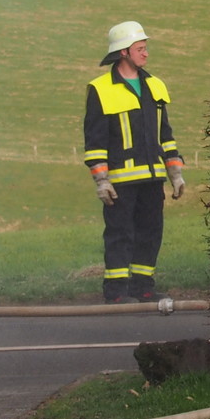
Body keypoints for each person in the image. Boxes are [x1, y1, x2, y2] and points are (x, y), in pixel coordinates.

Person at [83, 20, 185, 303]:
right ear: (124, 52)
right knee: (120, 234)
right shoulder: (101, 89)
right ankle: (115, 292)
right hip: (120, 182)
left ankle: (143, 287)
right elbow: (95, 141)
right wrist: (101, 180)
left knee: (151, 232)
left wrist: (175, 173)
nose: (146, 53)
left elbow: (165, 135)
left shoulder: (155, 86)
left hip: (153, 179)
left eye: (145, 48)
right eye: (140, 48)